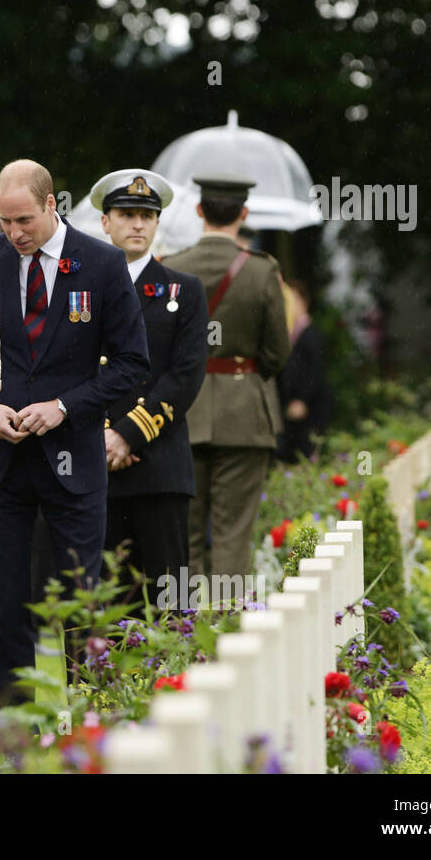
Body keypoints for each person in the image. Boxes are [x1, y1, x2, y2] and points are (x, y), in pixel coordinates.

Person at [0, 159, 148, 709]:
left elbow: (131, 365)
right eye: (4, 222)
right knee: (6, 604)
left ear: (52, 206)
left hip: (75, 461)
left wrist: (64, 406)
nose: (14, 233)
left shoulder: (101, 262)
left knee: (78, 601)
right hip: (2, 459)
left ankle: (83, 731)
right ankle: (16, 735)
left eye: (24, 220)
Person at [161, 174, 291, 581]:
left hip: (183, 411)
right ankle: (226, 629)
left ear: (200, 211)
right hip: (244, 415)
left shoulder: (173, 267)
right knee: (234, 532)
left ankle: (185, 633)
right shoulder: (262, 271)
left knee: (186, 532)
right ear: (244, 213)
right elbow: (276, 353)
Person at [90, 169, 207, 609]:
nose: (137, 224)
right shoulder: (82, 289)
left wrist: (127, 434)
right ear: (106, 222)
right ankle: (90, 683)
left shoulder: (186, 291)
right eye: (126, 214)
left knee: (168, 604)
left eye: (146, 215)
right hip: (95, 462)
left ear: (157, 224)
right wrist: (102, 435)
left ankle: (173, 683)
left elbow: (185, 375)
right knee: (100, 605)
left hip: (159, 466)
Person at [276, 278, 333, 461]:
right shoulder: (286, 333)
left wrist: (302, 399)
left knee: (306, 454)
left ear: (304, 302)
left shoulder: (310, 333)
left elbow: (315, 371)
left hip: (309, 406)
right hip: (289, 405)